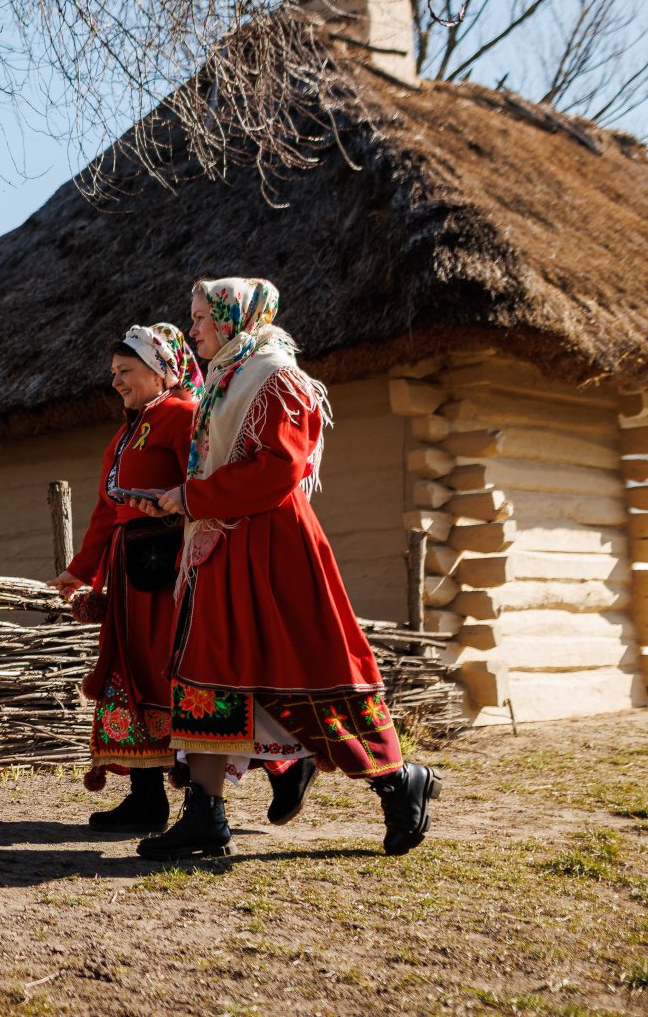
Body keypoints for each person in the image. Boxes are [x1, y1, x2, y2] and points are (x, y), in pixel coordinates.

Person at [134, 278, 439, 860]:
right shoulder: (224, 380)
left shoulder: (277, 377)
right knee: (206, 674)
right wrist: (182, 498)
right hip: (220, 546)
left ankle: (399, 782)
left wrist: (193, 499)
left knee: (308, 668)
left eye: (201, 317)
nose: (193, 328)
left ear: (232, 316)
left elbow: (280, 469)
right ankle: (205, 814)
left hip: (275, 547)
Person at [47, 325, 199, 832]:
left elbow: (200, 488)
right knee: (127, 673)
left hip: (168, 569)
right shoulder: (128, 432)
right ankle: (145, 798)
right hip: (129, 572)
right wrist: (80, 569)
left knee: (168, 675)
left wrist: (168, 513)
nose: (116, 381)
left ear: (161, 372)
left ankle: (253, 779)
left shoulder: (181, 416)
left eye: (126, 371)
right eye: (113, 373)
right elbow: (104, 510)